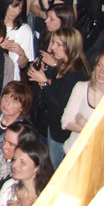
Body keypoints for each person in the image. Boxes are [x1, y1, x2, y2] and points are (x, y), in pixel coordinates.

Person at [26, 26, 89, 166]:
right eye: (53, 42)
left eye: (58, 44)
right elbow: (57, 86)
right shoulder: (64, 65)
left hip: (62, 134)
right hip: (53, 127)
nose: (52, 47)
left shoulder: (75, 73)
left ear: (70, 47)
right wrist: (43, 76)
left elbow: (61, 105)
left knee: (56, 168)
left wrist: (44, 82)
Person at [0, 140, 53, 206]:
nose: (14, 165)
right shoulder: (9, 186)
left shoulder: (49, 196)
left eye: (22, 162)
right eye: (14, 159)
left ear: (37, 168)